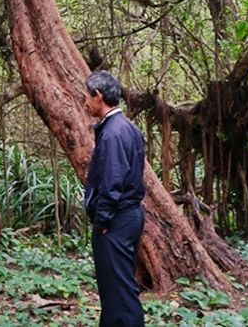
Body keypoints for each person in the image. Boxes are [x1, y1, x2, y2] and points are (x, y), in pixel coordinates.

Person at [83, 70, 146, 327]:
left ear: (98, 96)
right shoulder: (126, 128)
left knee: (120, 291)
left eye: (87, 96)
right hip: (126, 217)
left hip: (116, 220)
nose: (85, 102)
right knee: (114, 289)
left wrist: (102, 220)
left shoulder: (114, 133)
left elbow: (113, 180)